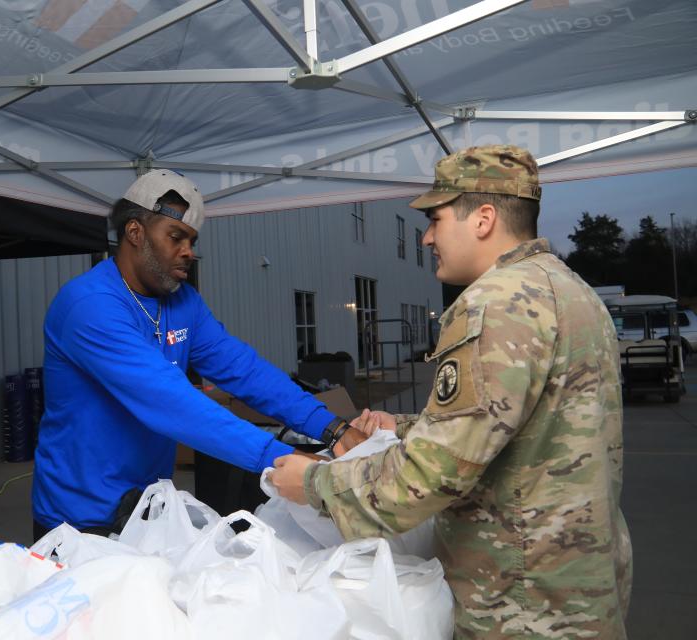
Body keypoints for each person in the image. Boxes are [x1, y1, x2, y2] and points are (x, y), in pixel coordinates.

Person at [271, 145, 632, 638]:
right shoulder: (570, 290)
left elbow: (429, 476)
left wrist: (314, 485)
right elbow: (523, 424)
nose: (425, 238)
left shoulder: (495, 302)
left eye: (436, 219)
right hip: (577, 587)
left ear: (483, 218)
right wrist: (405, 428)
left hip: (519, 604)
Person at [32, 168, 364, 539]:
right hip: (80, 518)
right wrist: (281, 460)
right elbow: (170, 401)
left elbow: (243, 369)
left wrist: (332, 428)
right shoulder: (89, 305)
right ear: (135, 232)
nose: (189, 251)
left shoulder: (181, 301)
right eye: (176, 237)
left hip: (148, 506)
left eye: (191, 239)